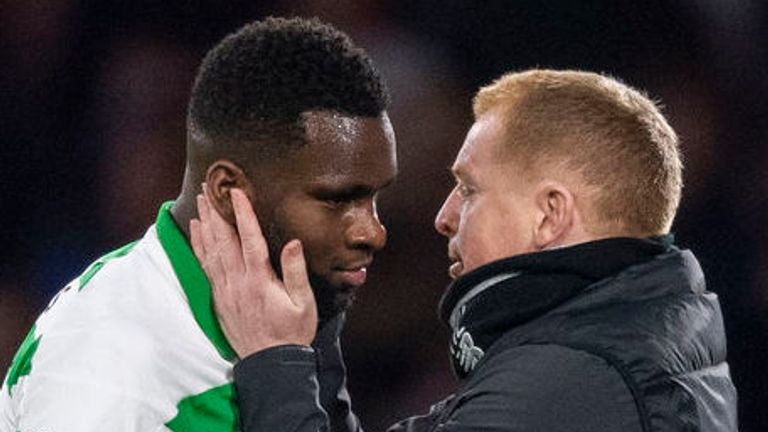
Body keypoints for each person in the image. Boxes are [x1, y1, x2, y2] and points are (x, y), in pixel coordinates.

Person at [193, 69, 738, 431]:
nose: (444, 216)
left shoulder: (572, 383)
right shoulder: (618, 341)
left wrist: (272, 359)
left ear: (550, 214)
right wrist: (315, 330)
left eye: (469, 190)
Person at [0, 17, 396, 431]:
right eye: (336, 199)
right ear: (227, 190)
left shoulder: (281, 326)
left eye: (374, 196)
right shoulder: (113, 373)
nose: (373, 232)